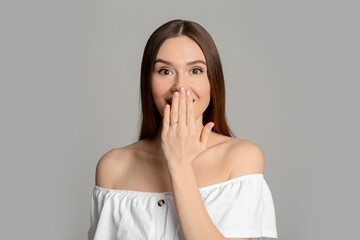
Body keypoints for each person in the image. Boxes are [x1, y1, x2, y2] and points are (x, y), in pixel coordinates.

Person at [88, 19, 278, 240]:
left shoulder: (241, 158)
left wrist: (179, 164)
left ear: (212, 81)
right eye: (165, 71)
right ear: (148, 82)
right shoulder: (113, 167)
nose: (180, 86)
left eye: (196, 70)